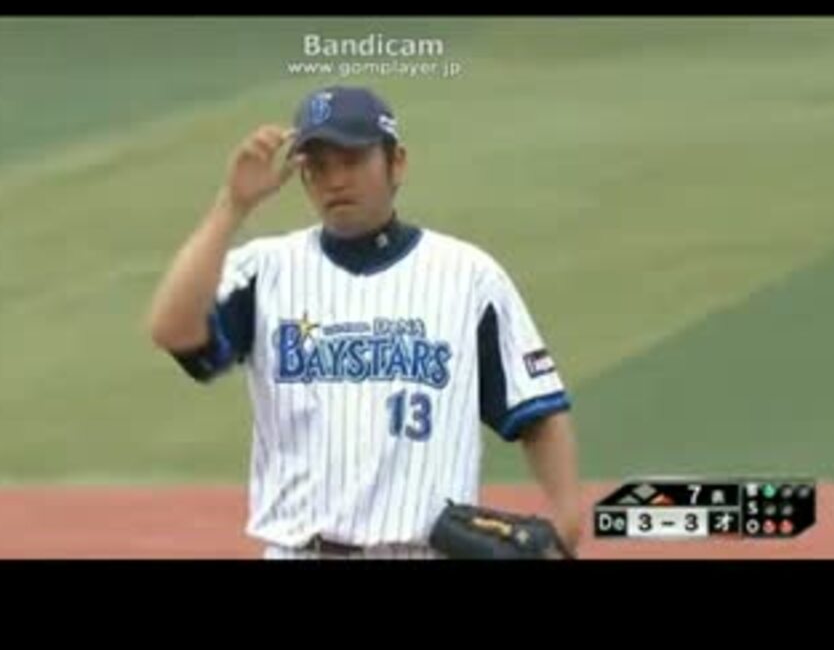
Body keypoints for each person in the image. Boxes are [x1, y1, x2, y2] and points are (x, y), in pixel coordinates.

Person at [146, 85, 582, 559]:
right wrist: (233, 205)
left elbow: (536, 409)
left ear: (397, 163)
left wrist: (567, 521)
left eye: (352, 160)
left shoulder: (468, 276)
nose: (335, 180)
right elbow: (171, 329)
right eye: (318, 166)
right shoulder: (263, 270)